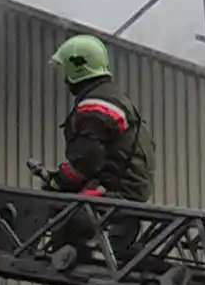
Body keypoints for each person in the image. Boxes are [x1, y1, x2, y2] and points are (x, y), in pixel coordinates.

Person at [43, 34, 156, 263]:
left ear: (77, 69)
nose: (65, 80)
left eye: (66, 71)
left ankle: (73, 255)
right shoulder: (111, 96)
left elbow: (86, 160)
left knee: (56, 208)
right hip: (126, 191)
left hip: (114, 192)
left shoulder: (95, 106)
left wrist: (58, 181)